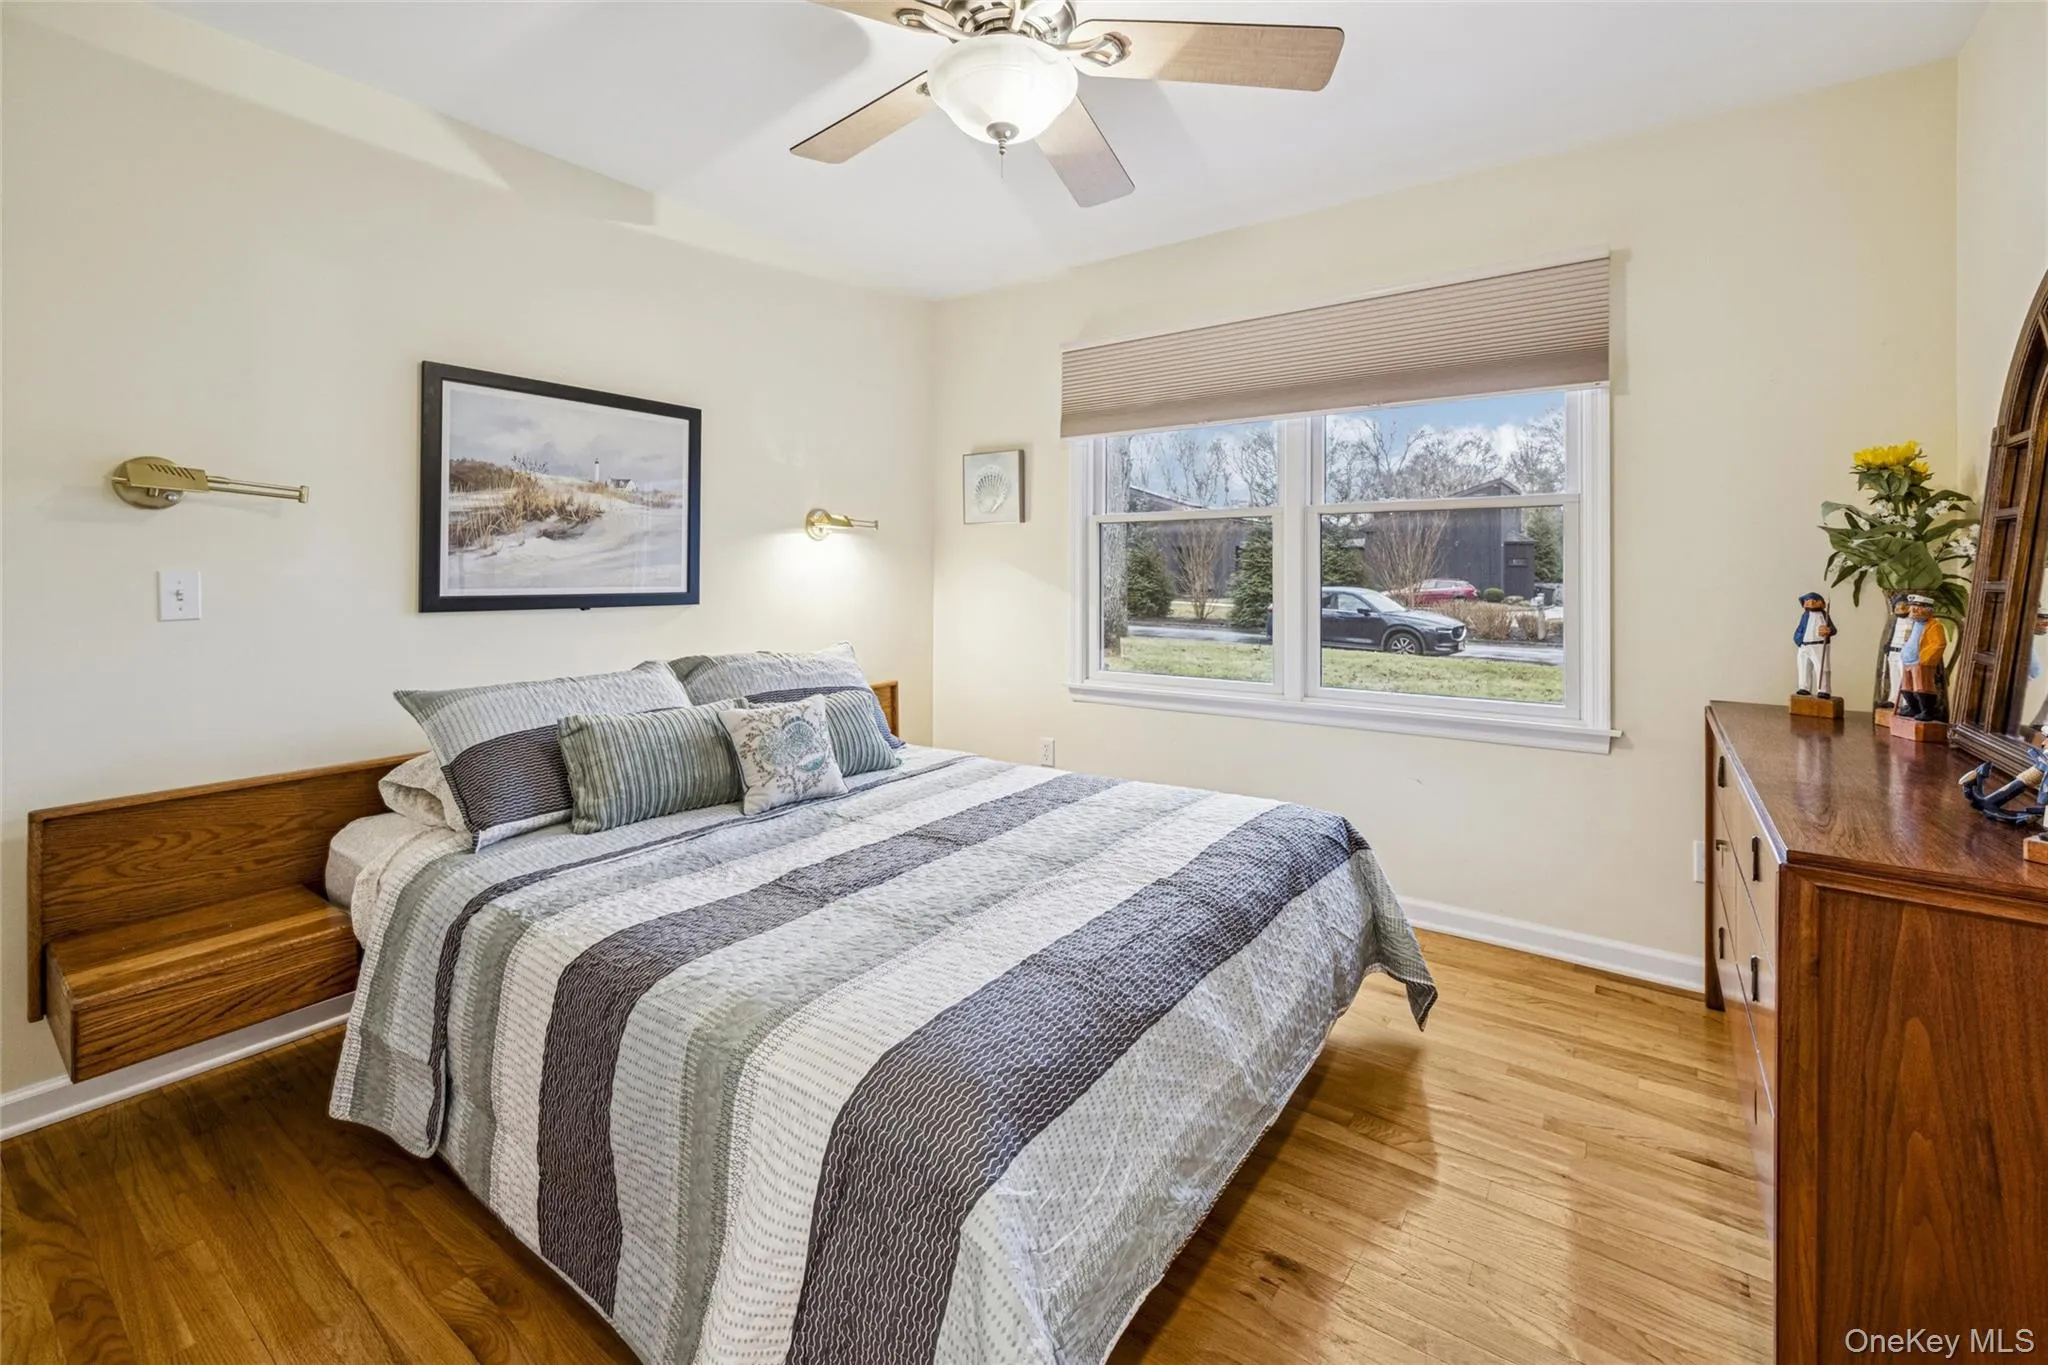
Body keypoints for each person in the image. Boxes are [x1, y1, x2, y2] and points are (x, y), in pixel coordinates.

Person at [1895, 593, 1948, 721]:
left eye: (1918, 608)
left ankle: (1927, 711)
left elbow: (1939, 644)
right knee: (1907, 687)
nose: (1913, 611)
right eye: (1912, 607)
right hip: (1907, 661)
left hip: (1920, 662)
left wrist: (1924, 659)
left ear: (1928, 610)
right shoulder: (1915, 624)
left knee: (1922, 687)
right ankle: (1913, 708)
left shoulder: (1935, 626)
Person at [1792, 591, 1836, 698]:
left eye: (1815, 600)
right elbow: (1800, 628)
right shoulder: (1805, 616)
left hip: (1819, 645)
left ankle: (1824, 689)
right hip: (1804, 645)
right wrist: (1798, 639)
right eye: (1807, 600)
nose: (1811, 602)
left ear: (1822, 603)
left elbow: (1833, 629)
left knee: (1822, 668)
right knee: (1803, 666)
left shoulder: (1824, 616)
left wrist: (1828, 630)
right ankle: (1804, 687)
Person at [1881, 594, 1912, 711]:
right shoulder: (1895, 621)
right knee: (1894, 677)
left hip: (1905, 652)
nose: (1900, 608)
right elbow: (1892, 635)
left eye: (1903, 605)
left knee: (1905, 679)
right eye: (1898, 605)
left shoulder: (1912, 621)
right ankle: (1894, 700)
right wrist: (1888, 645)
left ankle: (1906, 702)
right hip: (1893, 651)